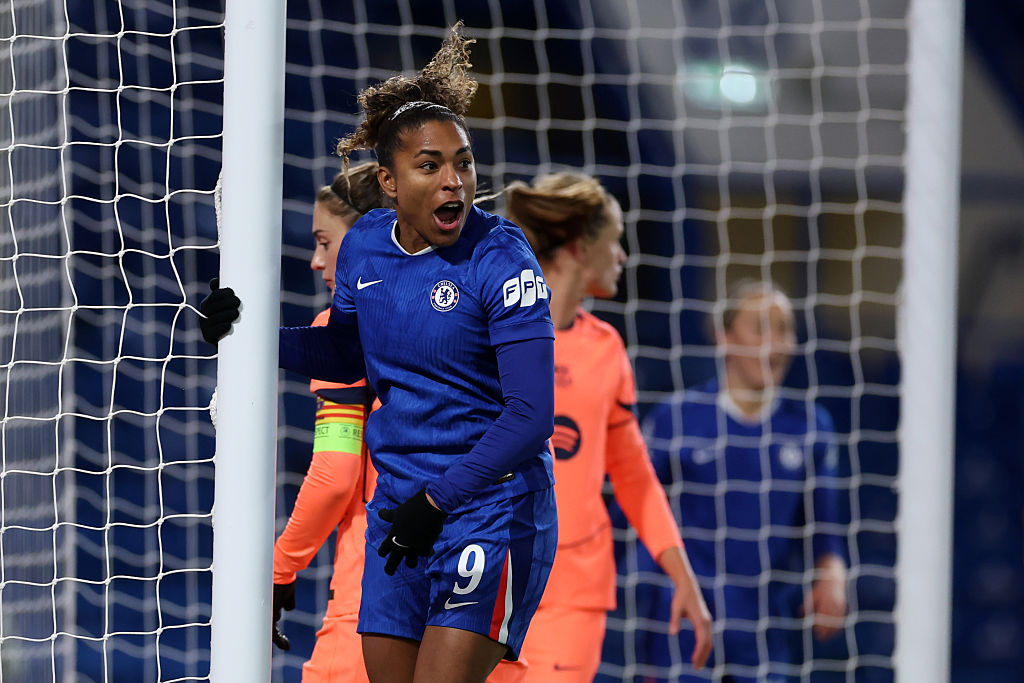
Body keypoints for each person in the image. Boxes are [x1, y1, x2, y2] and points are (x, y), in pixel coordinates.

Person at [201, 23, 557, 683]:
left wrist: (438, 501)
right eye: (431, 166)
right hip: (399, 507)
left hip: (488, 508)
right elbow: (344, 352)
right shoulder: (364, 246)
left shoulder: (502, 256)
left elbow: (532, 415)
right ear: (389, 182)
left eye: (463, 163)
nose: (454, 182)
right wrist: (248, 334)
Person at [503, 172, 712, 682]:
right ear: (580, 246)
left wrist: (682, 575)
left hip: (573, 592)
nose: (622, 256)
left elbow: (634, 475)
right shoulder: (486, 335)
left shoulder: (606, 350)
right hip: (485, 579)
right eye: (616, 240)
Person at [632, 280, 848, 682]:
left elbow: (824, 524)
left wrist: (832, 571)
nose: (776, 343)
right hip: (684, 622)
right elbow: (633, 510)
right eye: (760, 328)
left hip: (766, 625)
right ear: (724, 338)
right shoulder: (676, 419)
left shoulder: (810, 425)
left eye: (784, 329)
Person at [269, 161, 386, 682]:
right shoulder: (471, 309)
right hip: (476, 602)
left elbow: (336, 474)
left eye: (325, 242)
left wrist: (280, 567)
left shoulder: (348, 328)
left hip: (377, 594)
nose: (316, 261)